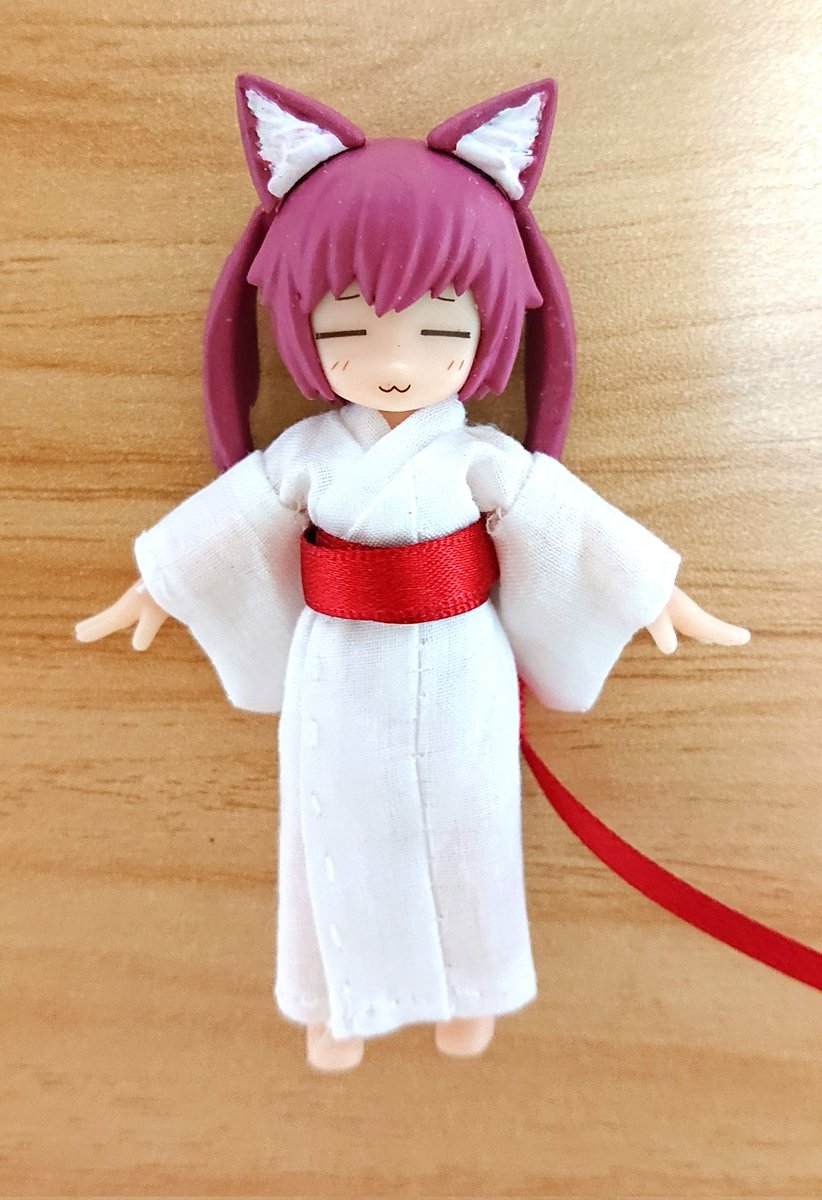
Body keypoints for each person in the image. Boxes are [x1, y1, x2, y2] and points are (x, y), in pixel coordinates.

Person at [76, 77, 749, 1071]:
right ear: (303, 329)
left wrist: (650, 589)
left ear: (490, 329)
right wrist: (163, 583)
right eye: (349, 331)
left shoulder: (478, 459)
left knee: (470, 822)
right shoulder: (309, 456)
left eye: (438, 331)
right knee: (333, 826)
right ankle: (332, 1001)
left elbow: (566, 522)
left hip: (460, 655)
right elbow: (234, 518)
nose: (394, 363)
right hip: (338, 665)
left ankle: (472, 990)